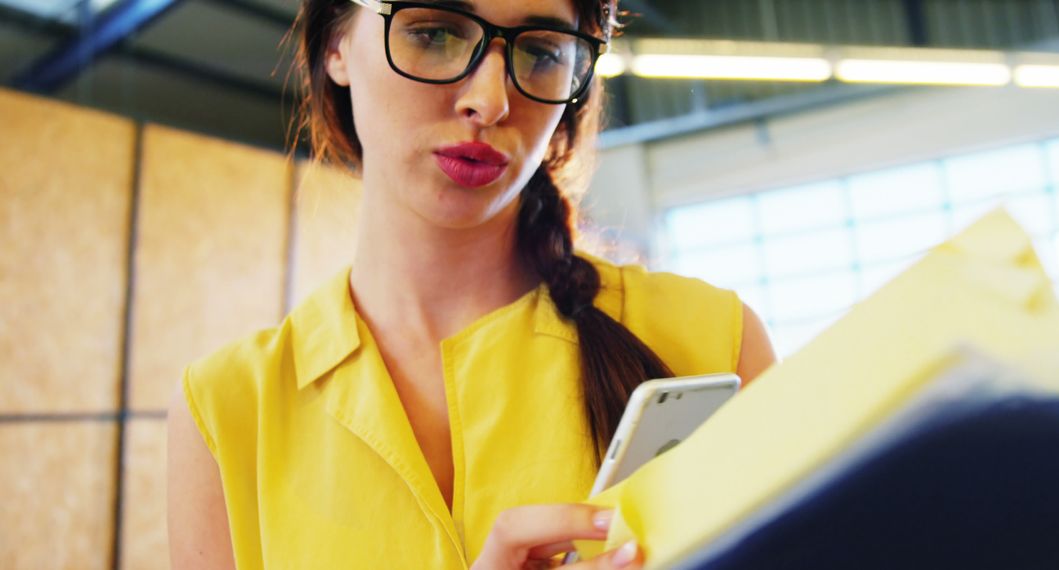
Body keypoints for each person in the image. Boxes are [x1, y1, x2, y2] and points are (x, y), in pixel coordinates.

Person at [167, 0, 777, 568]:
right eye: (432, 33)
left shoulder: (714, 343)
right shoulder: (225, 410)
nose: (489, 101)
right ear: (336, 45)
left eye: (541, 52)